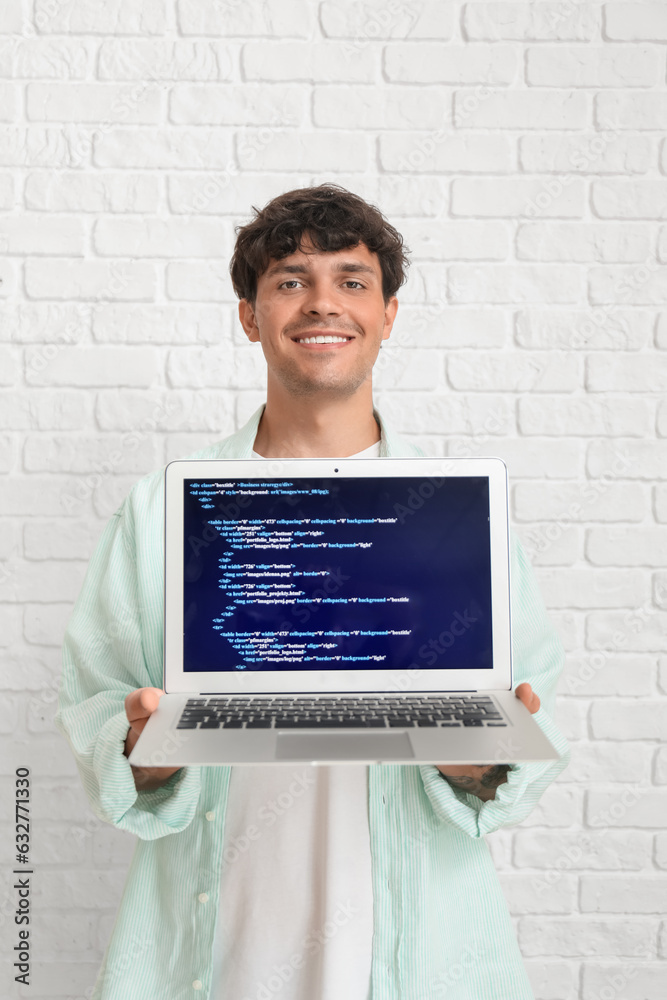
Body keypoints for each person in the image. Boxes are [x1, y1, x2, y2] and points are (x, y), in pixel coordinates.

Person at [56, 184, 570, 1000]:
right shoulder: (161, 508)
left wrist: (473, 765)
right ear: (249, 315)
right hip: (219, 950)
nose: (321, 302)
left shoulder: (454, 513)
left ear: (388, 314)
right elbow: (97, 705)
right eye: (290, 280)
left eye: (351, 280)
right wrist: (144, 752)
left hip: (415, 953)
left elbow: (526, 727)